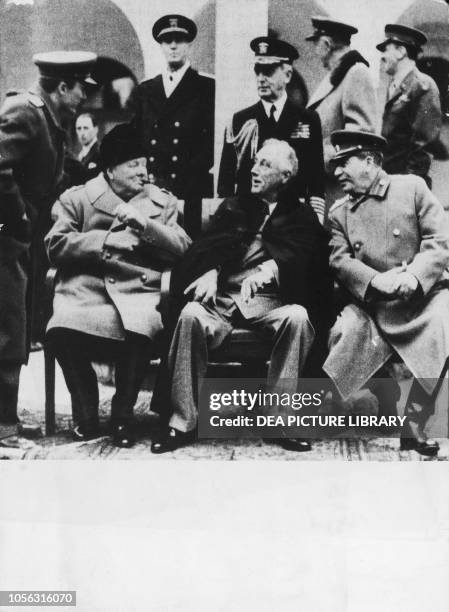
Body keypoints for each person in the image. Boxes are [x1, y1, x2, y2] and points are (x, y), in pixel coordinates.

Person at [152, 139, 333, 454]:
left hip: (269, 304)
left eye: (264, 164)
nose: (254, 169)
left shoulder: (301, 216)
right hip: (220, 301)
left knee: (299, 318)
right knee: (190, 315)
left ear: (286, 175)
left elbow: (308, 261)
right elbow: (206, 248)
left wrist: (272, 269)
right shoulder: (235, 206)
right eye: (255, 162)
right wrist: (211, 270)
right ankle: (182, 421)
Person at [45, 124, 190, 447]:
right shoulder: (78, 198)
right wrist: (108, 241)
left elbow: (182, 247)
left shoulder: (161, 203)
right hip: (86, 289)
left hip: (138, 290)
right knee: (63, 325)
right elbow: (55, 245)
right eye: (133, 165)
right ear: (110, 170)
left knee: (140, 326)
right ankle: (86, 411)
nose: (143, 172)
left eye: (145, 164)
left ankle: (122, 416)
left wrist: (146, 225)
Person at [323, 130, 449, 457]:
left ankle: (416, 424)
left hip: (421, 297)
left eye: (343, 162)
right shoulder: (339, 213)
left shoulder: (412, 188)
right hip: (371, 302)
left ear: (369, 161)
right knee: (347, 330)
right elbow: (338, 260)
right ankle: (379, 404)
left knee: (443, 321)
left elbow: (439, 242)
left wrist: (414, 276)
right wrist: (376, 282)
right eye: (334, 164)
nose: (336, 172)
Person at [0, 50, 96, 427]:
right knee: (7, 330)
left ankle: (6, 419)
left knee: (17, 328)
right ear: (61, 87)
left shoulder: (48, 118)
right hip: (7, 239)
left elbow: (57, 175)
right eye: (79, 90)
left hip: (21, 242)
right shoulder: (25, 111)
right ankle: (3, 427)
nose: (84, 99)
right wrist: (19, 215)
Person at [218, 36, 326, 222]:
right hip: (247, 219)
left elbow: (315, 180)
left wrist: (314, 221)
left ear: (288, 75)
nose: (261, 79)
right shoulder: (241, 120)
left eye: (268, 71)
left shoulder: (308, 119)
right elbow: (226, 182)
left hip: (292, 220)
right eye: (257, 71)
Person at [130, 14, 215, 239]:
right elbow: (137, 139)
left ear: (189, 45)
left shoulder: (206, 87)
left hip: (190, 191)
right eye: (168, 41)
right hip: (154, 188)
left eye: (180, 40)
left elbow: (210, 145)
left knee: (186, 250)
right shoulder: (146, 90)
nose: (174, 46)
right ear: (161, 45)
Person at [305, 17, 378, 214]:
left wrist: (315, 157)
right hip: (327, 190)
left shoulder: (356, 73)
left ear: (327, 44)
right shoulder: (337, 77)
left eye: (315, 43)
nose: (314, 51)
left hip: (341, 193)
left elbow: (362, 136)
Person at [376, 24, 442, 187]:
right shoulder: (394, 87)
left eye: (385, 49)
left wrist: (407, 188)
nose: (382, 56)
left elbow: (423, 146)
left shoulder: (422, 85)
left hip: (406, 188)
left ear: (400, 51)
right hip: (388, 183)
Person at [76, 112, 100, 180]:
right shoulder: (80, 155)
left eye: (86, 128)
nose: (82, 133)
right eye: (79, 128)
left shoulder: (100, 153)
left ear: (95, 129)